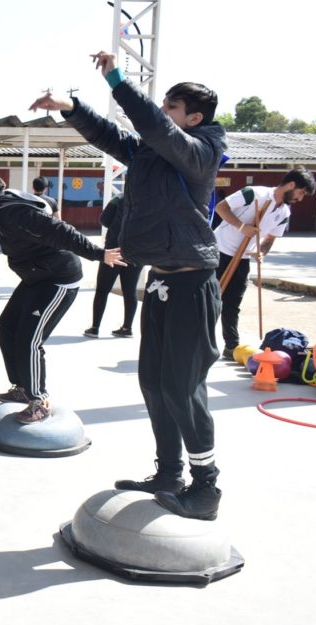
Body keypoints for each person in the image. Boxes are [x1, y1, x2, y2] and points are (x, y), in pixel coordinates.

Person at [32, 50, 227, 521]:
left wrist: (117, 80)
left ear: (193, 118)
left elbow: (154, 129)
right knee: (155, 385)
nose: (162, 114)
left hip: (193, 284)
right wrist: (70, 108)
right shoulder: (152, 153)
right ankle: (169, 474)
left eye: (171, 108)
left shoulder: (200, 153)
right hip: (161, 284)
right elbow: (112, 135)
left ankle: (205, 489)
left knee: (182, 388)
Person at [0, 173, 121, 422]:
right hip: (36, 277)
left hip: (58, 280)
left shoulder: (14, 215)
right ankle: (22, 388)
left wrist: (99, 254)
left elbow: (61, 231)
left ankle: (39, 401)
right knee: (6, 326)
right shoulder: (2, 210)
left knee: (30, 339)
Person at [213, 169, 315, 359]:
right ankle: (201, 341)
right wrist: (242, 226)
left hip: (242, 257)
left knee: (233, 303)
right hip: (219, 251)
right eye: (301, 193)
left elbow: (268, 241)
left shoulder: (284, 212)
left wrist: (260, 252)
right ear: (291, 185)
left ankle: (231, 345)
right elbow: (221, 207)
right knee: (211, 299)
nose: (300, 199)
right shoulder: (254, 193)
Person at [83, 193, 142, 339]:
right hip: (136, 252)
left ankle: (95, 328)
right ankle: (127, 328)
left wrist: (117, 226)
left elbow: (104, 219)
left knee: (103, 290)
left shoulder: (119, 198)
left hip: (113, 249)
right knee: (130, 291)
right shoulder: (149, 199)